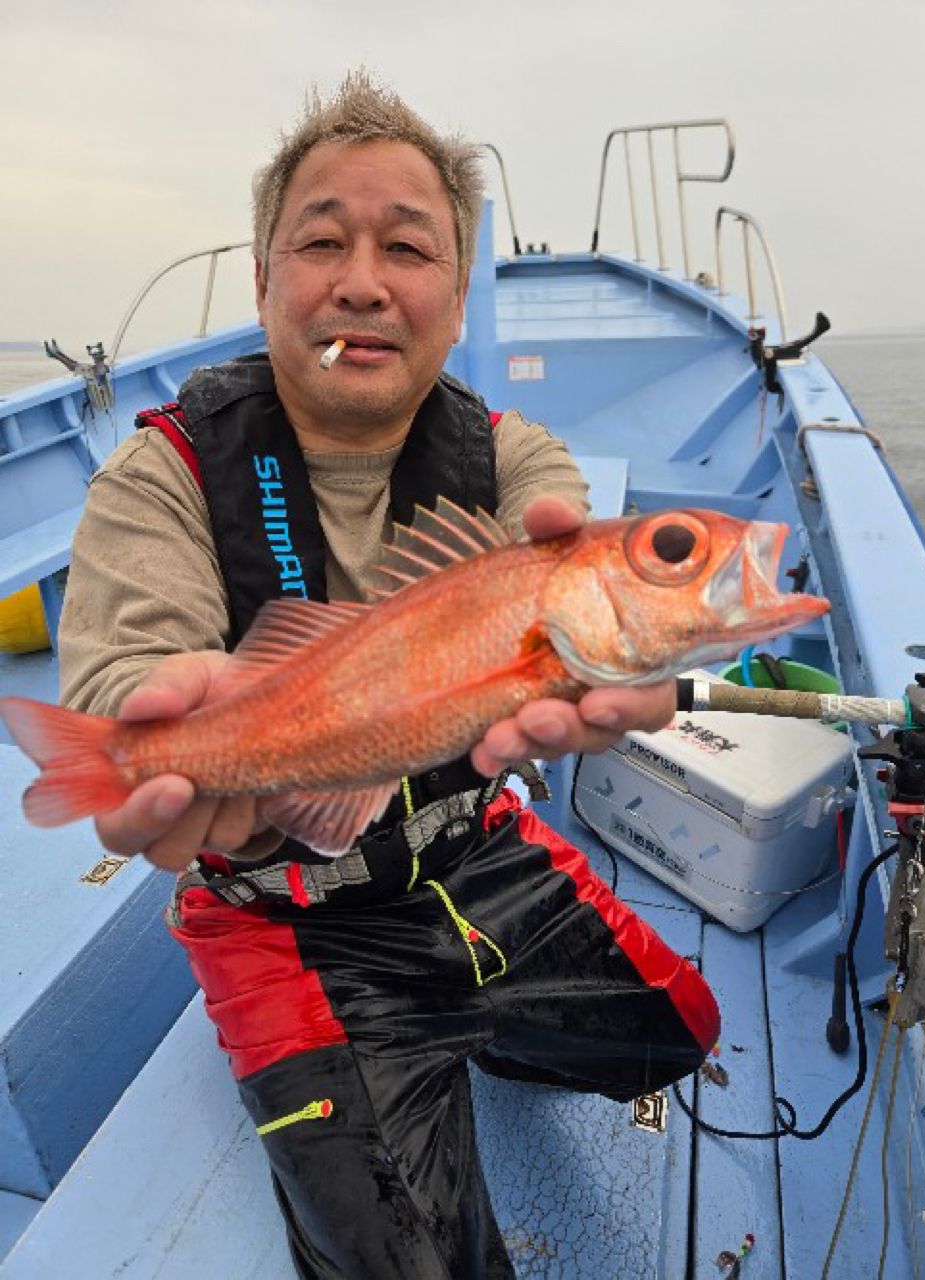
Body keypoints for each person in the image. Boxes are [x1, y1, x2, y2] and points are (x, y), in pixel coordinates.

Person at [59, 71, 719, 1280]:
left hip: (469, 850)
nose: (361, 278)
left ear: (456, 299)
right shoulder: (161, 475)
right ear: (263, 283)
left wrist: (601, 644)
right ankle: (370, 1056)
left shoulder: (512, 457)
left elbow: (555, 550)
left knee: (680, 1029)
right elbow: (130, 667)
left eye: (407, 248)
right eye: (320, 241)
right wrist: (167, 724)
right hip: (282, 915)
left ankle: (458, 1028)